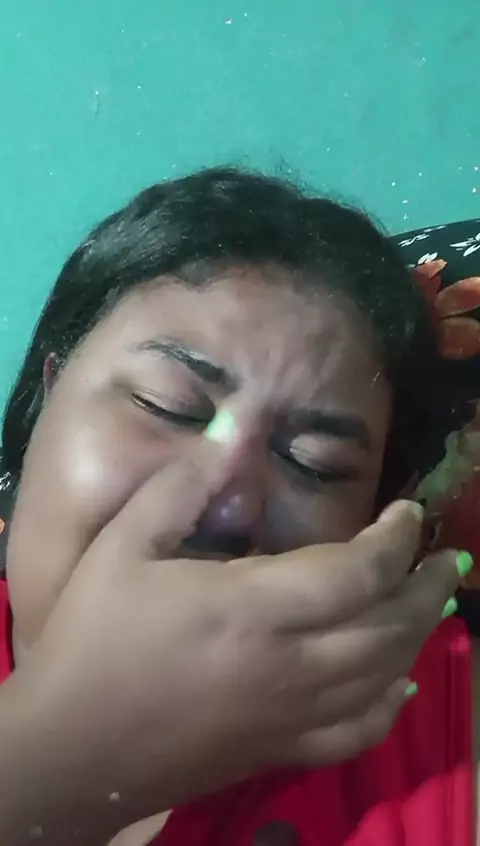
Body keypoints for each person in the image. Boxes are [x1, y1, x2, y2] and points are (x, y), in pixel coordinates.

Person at [0, 168, 467, 846]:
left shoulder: (447, 730)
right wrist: (55, 762)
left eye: (313, 462)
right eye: (166, 405)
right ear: (48, 393)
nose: (226, 504)